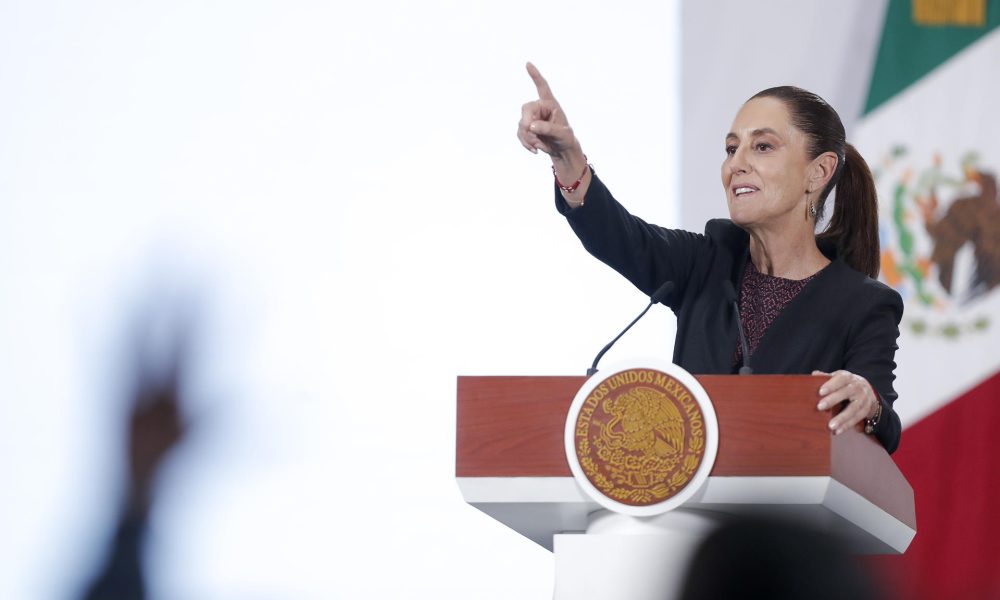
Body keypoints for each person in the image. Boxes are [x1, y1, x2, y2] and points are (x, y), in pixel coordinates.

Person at [516, 63, 902, 453]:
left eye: (762, 146)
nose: (736, 164)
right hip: (686, 490)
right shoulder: (706, 263)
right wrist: (567, 157)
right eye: (732, 149)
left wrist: (868, 404)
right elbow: (619, 236)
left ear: (819, 172)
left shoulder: (863, 305)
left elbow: (882, 423)